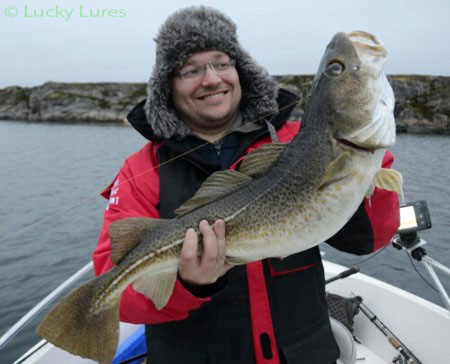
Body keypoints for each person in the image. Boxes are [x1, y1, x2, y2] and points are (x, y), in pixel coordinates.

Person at [93, 6, 400, 364]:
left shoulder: (295, 142)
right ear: (168, 86)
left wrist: (368, 160)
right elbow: (117, 287)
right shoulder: (140, 169)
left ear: (240, 72)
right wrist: (189, 284)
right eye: (191, 70)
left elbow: (368, 240)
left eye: (221, 63)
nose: (211, 79)